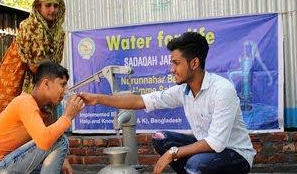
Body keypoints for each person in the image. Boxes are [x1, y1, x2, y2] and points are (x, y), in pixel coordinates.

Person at [79, 32, 256, 173]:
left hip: (236, 155)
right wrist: (97, 99)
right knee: (160, 139)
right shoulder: (183, 90)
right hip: (208, 149)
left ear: (194, 63)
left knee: (196, 165)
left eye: (176, 63)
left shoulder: (222, 90)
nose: (172, 69)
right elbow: (140, 101)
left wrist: (172, 154)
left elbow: (216, 143)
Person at [0, 62, 84, 174]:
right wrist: (67, 117)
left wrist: (63, 161)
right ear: (46, 84)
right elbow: (45, 141)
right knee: (60, 140)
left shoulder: (40, 111)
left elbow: (40, 146)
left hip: (1, 165)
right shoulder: (25, 102)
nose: (65, 91)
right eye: (62, 85)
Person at [0, 0, 65, 119]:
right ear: (38, 7)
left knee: (43, 116)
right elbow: (34, 65)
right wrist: (53, 83)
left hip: (44, 76)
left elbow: (55, 62)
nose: (52, 10)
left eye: (56, 6)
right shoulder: (30, 26)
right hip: (17, 73)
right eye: (48, 5)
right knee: (11, 116)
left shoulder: (60, 33)